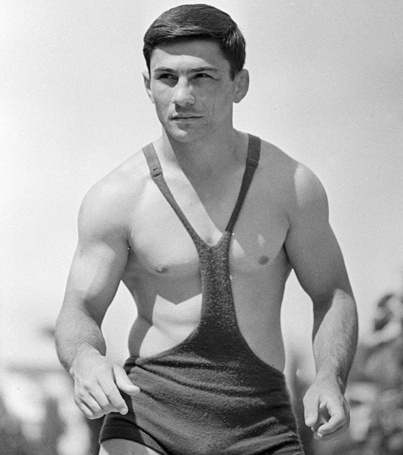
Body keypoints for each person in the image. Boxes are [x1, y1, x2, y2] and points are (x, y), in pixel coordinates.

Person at [55, 4, 358, 455]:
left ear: (239, 84)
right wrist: (84, 359)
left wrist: (330, 377)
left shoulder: (290, 187)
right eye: (167, 77)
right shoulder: (116, 197)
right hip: (147, 421)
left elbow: (332, 294)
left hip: (262, 427)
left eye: (202, 77)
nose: (182, 96)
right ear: (147, 84)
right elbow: (79, 308)